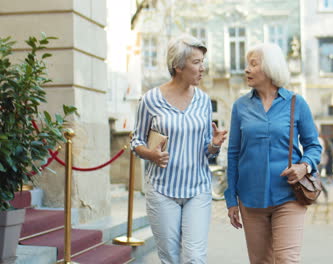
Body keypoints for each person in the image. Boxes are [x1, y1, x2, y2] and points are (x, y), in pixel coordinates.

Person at [131, 34, 227, 264]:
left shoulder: (204, 101)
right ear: (178, 65)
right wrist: (151, 154)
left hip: (197, 189)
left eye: (203, 61)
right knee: (171, 258)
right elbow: (136, 141)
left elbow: (207, 151)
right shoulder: (150, 100)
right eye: (196, 62)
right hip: (162, 190)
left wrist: (213, 145)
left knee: (195, 257)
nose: (202, 68)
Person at [224, 43, 322, 263]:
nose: (246, 69)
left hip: (288, 196)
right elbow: (233, 153)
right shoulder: (240, 107)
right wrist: (231, 199)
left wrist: (304, 166)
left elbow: (314, 146)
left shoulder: (296, 103)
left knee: (287, 259)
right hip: (250, 199)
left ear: (270, 68)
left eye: (253, 64)